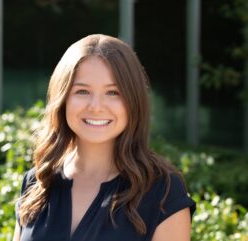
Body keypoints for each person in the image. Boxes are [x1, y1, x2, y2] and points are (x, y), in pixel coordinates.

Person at [13, 34, 196, 241]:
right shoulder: (37, 183)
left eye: (113, 93)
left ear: (134, 101)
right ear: (62, 99)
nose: (96, 107)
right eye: (82, 91)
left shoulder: (162, 192)